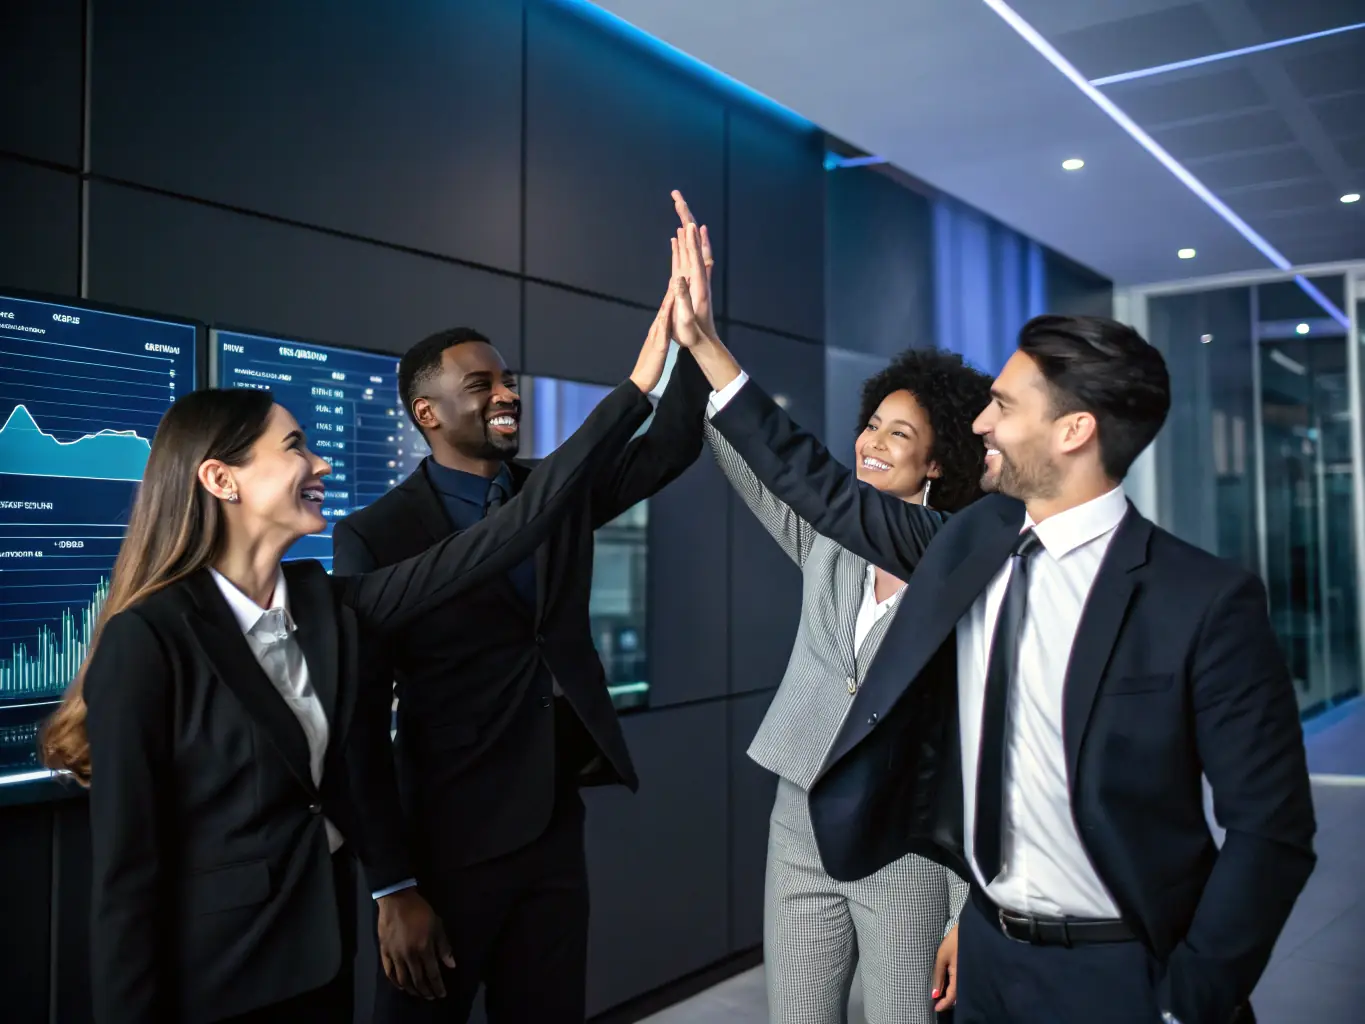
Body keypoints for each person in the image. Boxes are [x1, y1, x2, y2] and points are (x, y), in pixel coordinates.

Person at [666, 293, 1316, 1024]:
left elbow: (1271, 830)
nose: (980, 423)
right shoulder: (965, 551)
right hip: (987, 960)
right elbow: (818, 491)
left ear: (1072, 430)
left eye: (1002, 406)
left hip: (1120, 969)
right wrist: (705, 348)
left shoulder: (1203, 600)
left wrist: (1188, 999)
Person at [38, 315, 675, 1024]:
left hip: (318, 961)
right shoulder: (148, 639)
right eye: (294, 448)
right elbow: (128, 880)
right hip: (216, 976)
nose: (321, 465)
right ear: (221, 480)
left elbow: (502, 535)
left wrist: (640, 389)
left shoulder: (325, 603)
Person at [331, 196, 713, 1023]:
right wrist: (392, 884)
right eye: (483, 384)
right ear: (426, 412)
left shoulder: (553, 489)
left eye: (508, 379)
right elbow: (359, 726)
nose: (507, 393)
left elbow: (673, 446)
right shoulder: (375, 535)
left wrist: (694, 334)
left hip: (551, 823)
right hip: (443, 842)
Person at [707, 336, 989, 1016]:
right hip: (799, 818)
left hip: (904, 844)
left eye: (899, 434)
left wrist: (965, 907)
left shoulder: (962, 564)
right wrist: (699, 348)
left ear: (938, 458)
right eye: (871, 425)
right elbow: (755, 463)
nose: (872, 443)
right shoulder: (826, 539)